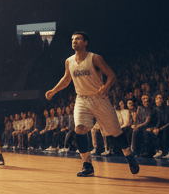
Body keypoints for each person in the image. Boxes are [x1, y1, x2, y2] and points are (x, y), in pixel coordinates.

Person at [45, 31, 139, 177]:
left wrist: (106, 87)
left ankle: (129, 155)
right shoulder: (69, 61)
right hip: (82, 99)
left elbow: (112, 76)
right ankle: (87, 164)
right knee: (80, 129)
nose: (74, 41)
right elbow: (66, 79)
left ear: (85, 42)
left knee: (115, 132)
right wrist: (53, 90)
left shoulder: (95, 58)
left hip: (99, 98)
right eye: (72, 39)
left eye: (78, 39)